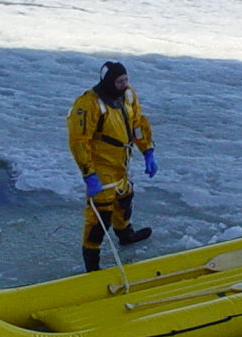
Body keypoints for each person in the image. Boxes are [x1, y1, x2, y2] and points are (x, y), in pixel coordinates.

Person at [67, 61, 158, 272]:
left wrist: (148, 150)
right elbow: (79, 142)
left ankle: (125, 234)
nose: (124, 84)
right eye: (119, 81)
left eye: (126, 79)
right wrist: (89, 174)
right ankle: (92, 261)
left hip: (121, 164)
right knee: (100, 215)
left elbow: (137, 123)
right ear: (108, 81)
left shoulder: (127, 96)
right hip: (101, 166)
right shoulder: (88, 104)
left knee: (124, 199)